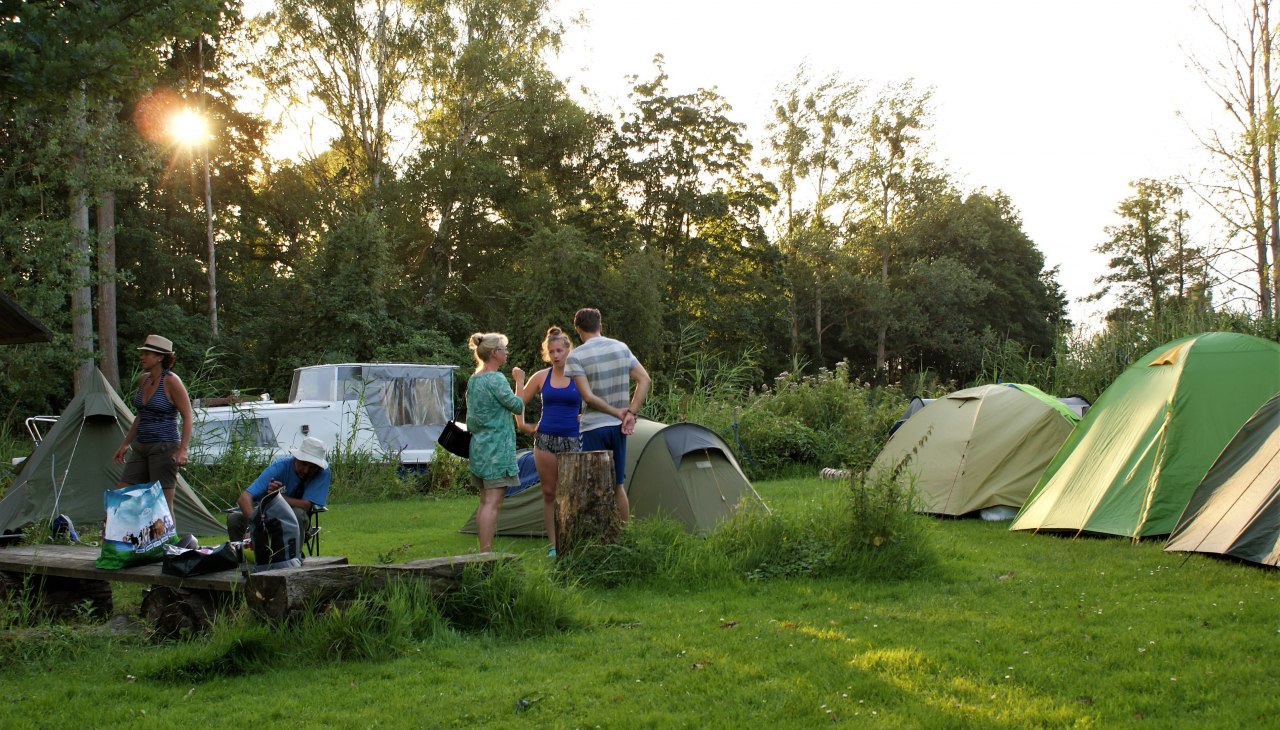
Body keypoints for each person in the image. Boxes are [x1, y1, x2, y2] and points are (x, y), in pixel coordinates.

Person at [512, 326, 624, 556]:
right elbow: (518, 402)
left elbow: (596, 399)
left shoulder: (580, 376)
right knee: (549, 493)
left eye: (559, 350)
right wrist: (522, 424)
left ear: (568, 350)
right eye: (551, 351)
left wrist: (588, 415)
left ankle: (577, 539)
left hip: (574, 440)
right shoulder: (541, 376)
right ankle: (554, 545)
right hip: (545, 440)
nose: (555, 355)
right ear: (547, 353)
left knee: (575, 492)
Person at [563, 308, 651, 524]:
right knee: (618, 485)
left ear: (578, 330)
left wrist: (616, 411)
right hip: (617, 428)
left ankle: (596, 538)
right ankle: (623, 534)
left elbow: (588, 397)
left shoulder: (576, 356)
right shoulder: (621, 348)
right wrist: (630, 413)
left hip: (593, 427)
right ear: (600, 325)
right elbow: (645, 380)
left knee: (592, 486)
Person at [112, 334, 193, 520]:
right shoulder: (144, 380)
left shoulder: (172, 381)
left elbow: (188, 416)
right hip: (141, 446)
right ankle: (127, 542)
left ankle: (169, 547)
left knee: (163, 502)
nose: (142, 357)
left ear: (160, 357)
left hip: (164, 447)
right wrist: (125, 444)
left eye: (147, 353)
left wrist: (183, 450)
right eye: (143, 353)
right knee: (122, 494)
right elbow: (141, 415)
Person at [467, 332, 526, 552]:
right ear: (494, 353)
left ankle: (484, 549)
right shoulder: (496, 379)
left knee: (485, 501)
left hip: (480, 447)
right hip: (496, 449)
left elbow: (473, 416)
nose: (506, 352)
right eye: (503, 349)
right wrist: (519, 382)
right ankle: (486, 552)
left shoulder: (475, 379)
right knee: (493, 501)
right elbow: (517, 406)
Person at [226, 436, 331, 542]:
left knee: (297, 514)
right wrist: (256, 524)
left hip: (297, 523)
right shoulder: (280, 467)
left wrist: (276, 497)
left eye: (312, 467)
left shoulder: (322, 472)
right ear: (296, 458)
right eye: (303, 464)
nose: (306, 470)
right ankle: (240, 556)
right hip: (266, 518)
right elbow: (244, 498)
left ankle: (292, 557)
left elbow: (305, 505)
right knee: (234, 518)